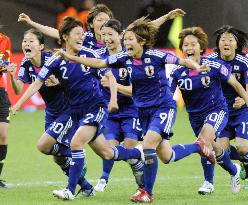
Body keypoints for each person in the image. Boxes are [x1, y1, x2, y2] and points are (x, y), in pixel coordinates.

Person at [54, 16, 216, 203]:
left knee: (147, 145)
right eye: (126, 39)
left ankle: (147, 192)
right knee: (166, 156)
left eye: (130, 39)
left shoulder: (157, 56)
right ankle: (198, 146)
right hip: (143, 111)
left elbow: (183, 61)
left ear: (142, 41)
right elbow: (99, 63)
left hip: (163, 107)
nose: (126, 43)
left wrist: (197, 66)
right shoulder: (124, 58)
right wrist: (70, 57)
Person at [10, 17, 143, 201]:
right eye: (77, 34)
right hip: (75, 111)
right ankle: (137, 154)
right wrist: (18, 103)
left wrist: (113, 100)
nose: (82, 37)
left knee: (76, 143)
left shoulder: (90, 54)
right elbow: (37, 82)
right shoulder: (57, 58)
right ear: (65, 36)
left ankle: (70, 190)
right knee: (107, 152)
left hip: (96, 107)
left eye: (82, 34)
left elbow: (110, 77)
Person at [168, 27, 248, 195]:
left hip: (220, 109)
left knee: (228, 145)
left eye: (193, 44)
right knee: (218, 150)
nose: (189, 47)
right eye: (186, 44)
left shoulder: (218, 64)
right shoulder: (178, 71)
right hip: (196, 115)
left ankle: (209, 182)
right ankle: (234, 170)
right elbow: (167, 95)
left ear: (201, 47)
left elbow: (238, 84)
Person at [7, 28, 95, 197]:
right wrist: (12, 76)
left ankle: (76, 155)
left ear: (41, 46)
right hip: (51, 113)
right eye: (25, 41)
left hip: (68, 110)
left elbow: (72, 81)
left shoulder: (52, 60)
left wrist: (58, 83)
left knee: (43, 145)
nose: (26, 43)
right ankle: (86, 187)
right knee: (58, 158)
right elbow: (18, 89)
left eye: (31, 41)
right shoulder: (26, 64)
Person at [91, 19, 144, 193]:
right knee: (109, 147)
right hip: (109, 111)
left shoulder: (130, 58)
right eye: (103, 34)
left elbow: (135, 91)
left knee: (129, 145)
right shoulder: (99, 57)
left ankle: (137, 163)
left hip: (131, 110)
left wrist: (114, 86)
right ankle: (104, 178)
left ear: (120, 35)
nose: (106, 38)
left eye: (110, 34)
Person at [206, 25, 248, 189]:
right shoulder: (211, 60)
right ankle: (243, 161)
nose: (226, 42)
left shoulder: (244, 61)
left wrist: (245, 100)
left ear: (237, 44)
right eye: (223, 39)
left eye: (230, 40)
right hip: (221, 111)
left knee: (243, 147)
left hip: (241, 110)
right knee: (223, 150)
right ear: (218, 43)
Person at [18, 4, 113, 49]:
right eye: (100, 20)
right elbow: (56, 32)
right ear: (91, 24)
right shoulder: (85, 38)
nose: (103, 23)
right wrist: (31, 23)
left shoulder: (119, 40)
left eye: (106, 20)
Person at [0, 32, 12, 188]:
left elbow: (6, 63)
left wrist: (7, 67)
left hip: (0, 92)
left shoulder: (5, 40)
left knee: (2, 135)